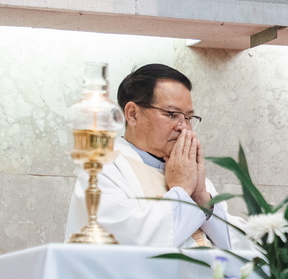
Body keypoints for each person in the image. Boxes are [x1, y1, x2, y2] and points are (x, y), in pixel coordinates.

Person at [65, 64, 245, 249]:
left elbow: (241, 249)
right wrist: (181, 190)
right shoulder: (104, 171)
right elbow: (130, 242)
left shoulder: (192, 175)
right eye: (172, 114)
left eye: (189, 118)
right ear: (133, 114)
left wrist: (202, 200)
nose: (184, 127)